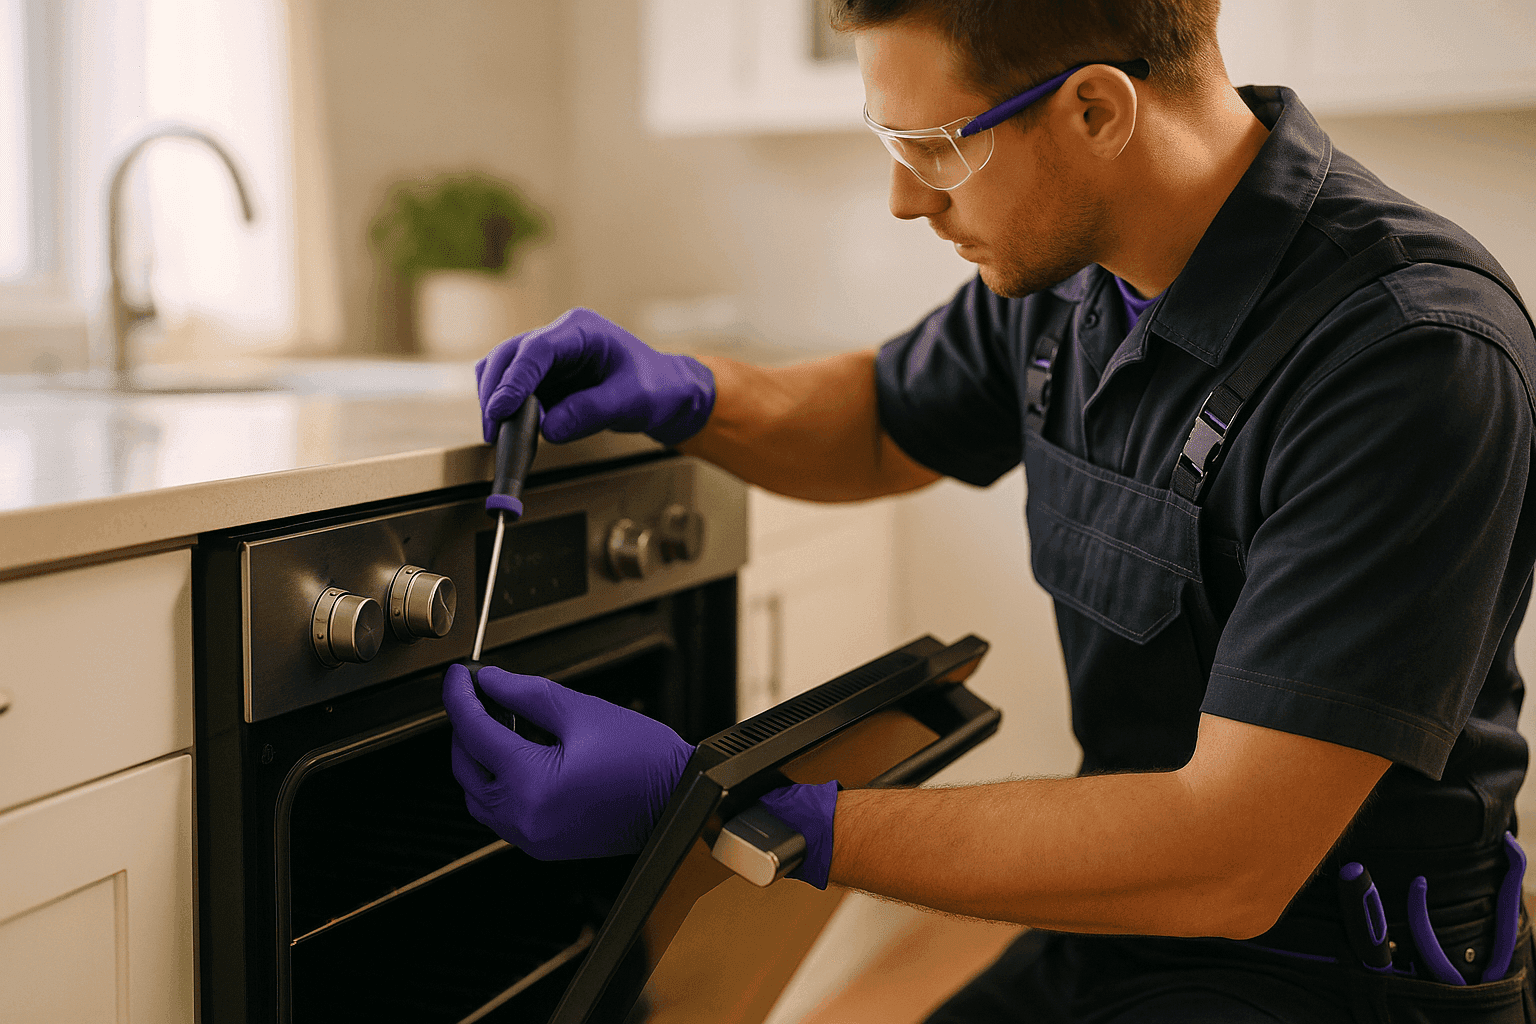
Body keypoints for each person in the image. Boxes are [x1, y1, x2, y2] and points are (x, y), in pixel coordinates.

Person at [440, 1, 1536, 1020]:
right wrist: (690, 393)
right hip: (1123, 932)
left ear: (1097, 109)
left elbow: (1229, 852)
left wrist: (732, 810)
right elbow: (880, 420)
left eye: (936, 147)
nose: (907, 198)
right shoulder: (1072, 282)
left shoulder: (1407, 357)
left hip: (1334, 974)